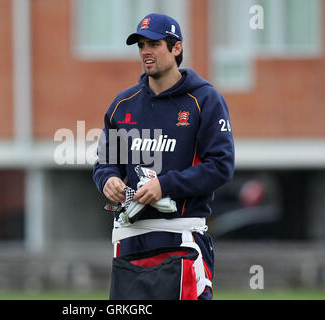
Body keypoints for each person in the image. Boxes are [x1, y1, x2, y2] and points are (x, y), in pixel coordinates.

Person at [93, 13, 235, 300]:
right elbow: (106, 162)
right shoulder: (123, 104)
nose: (146, 51)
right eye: (141, 45)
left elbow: (220, 166)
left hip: (182, 239)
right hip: (130, 241)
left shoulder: (205, 100)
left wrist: (165, 185)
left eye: (154, 44)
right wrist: (107, 179)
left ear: (176, 48)